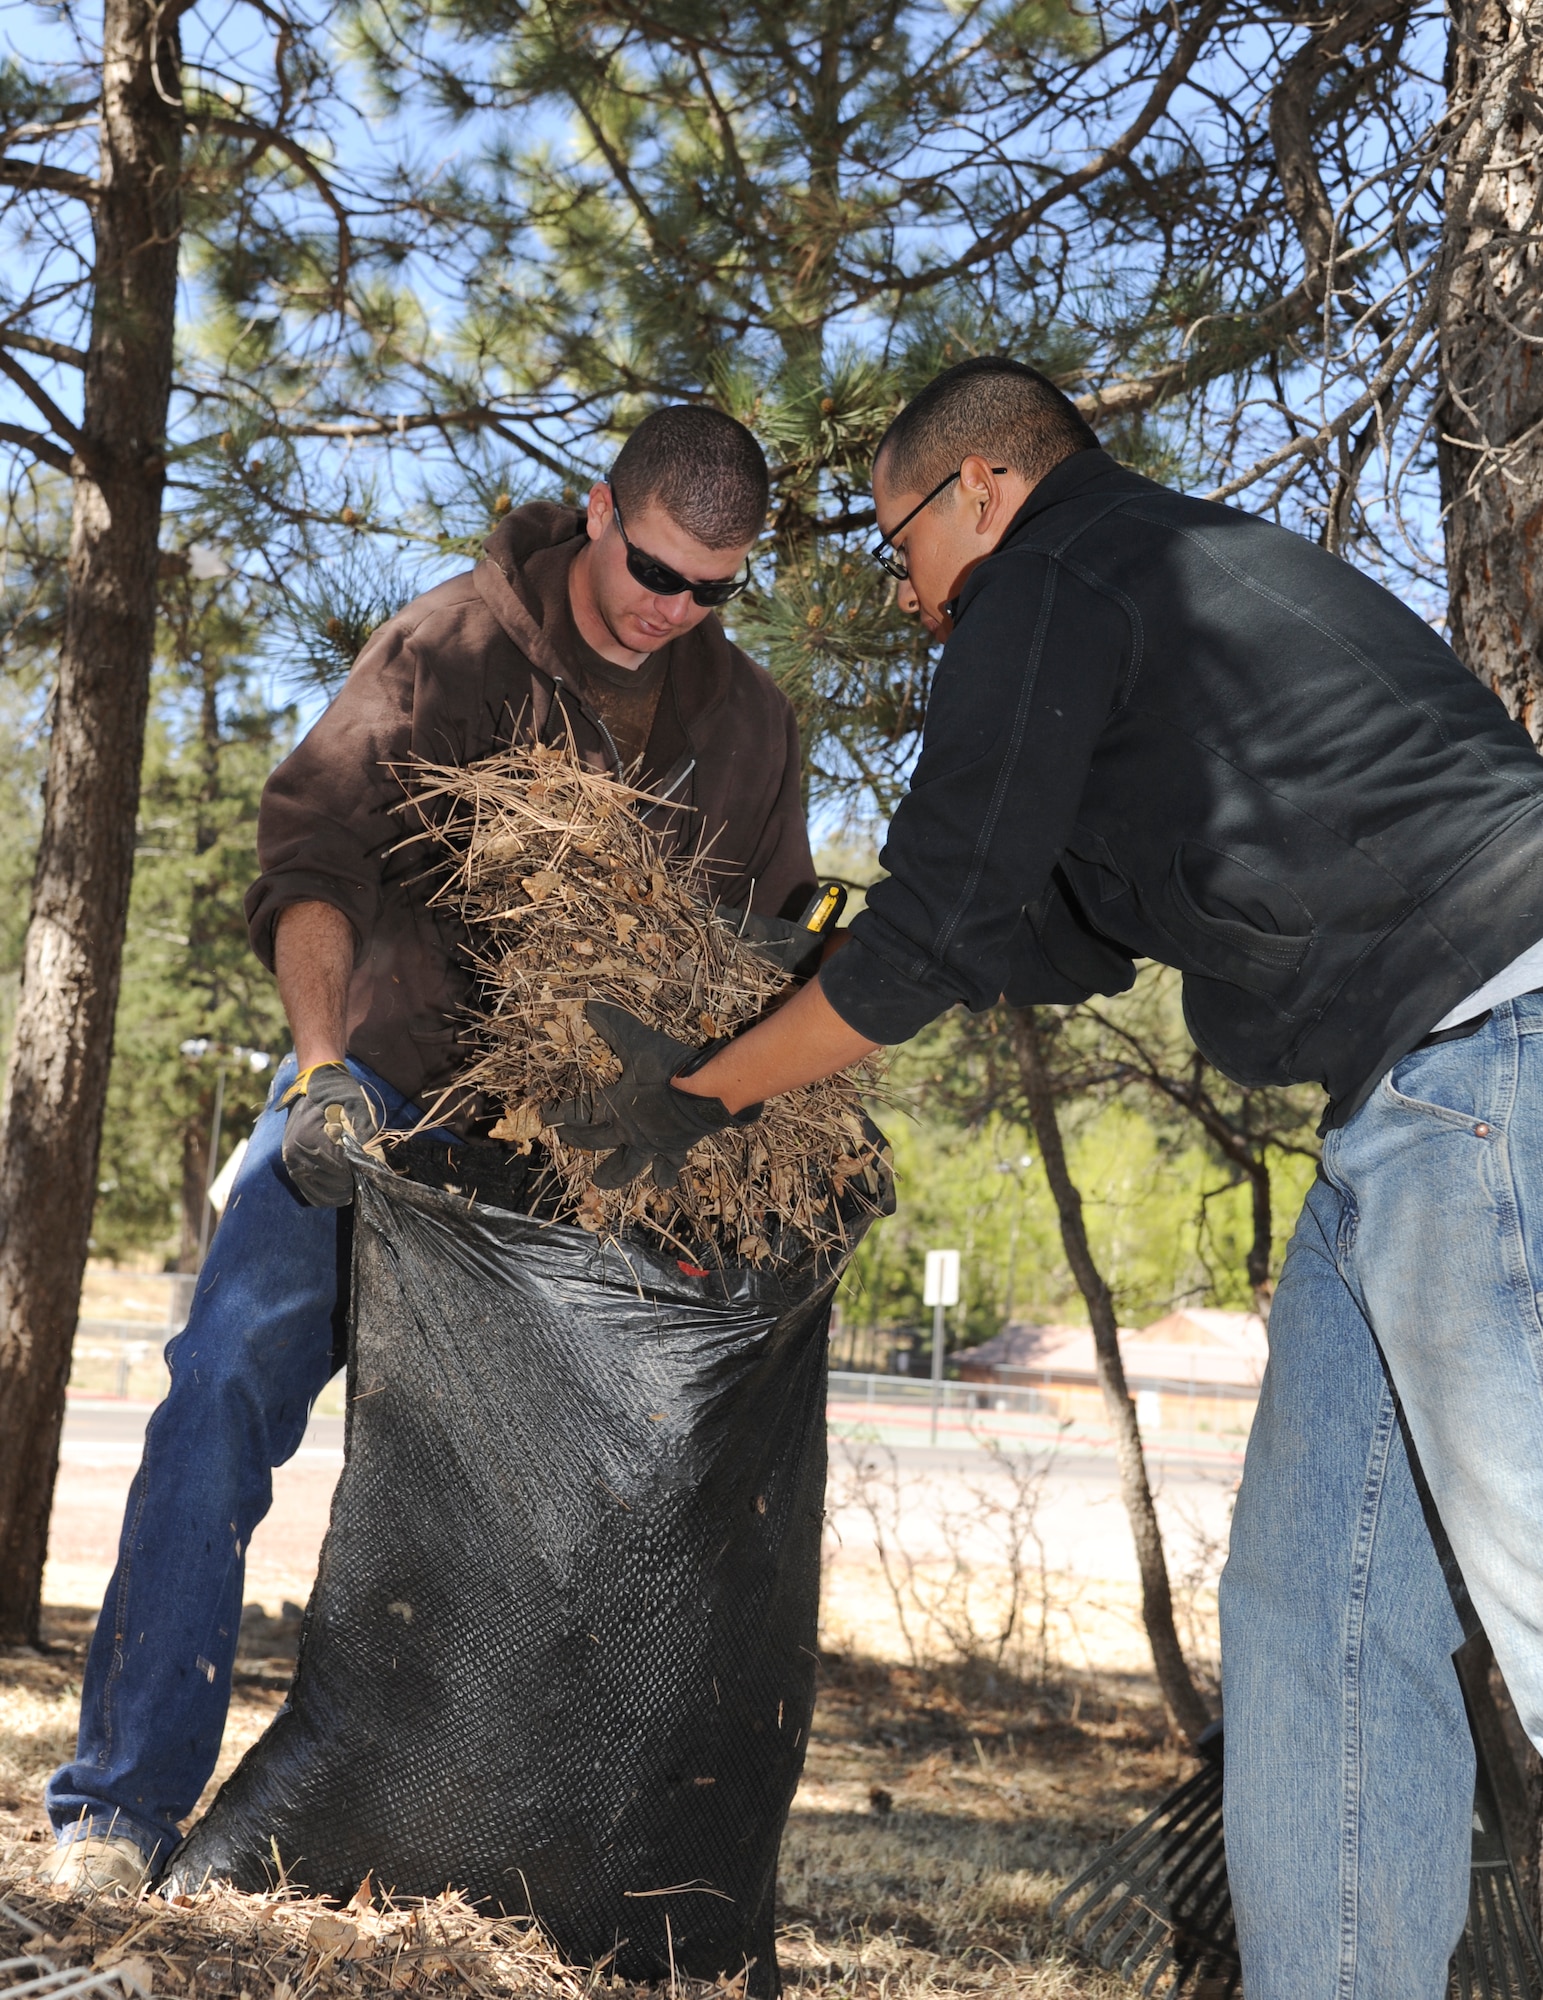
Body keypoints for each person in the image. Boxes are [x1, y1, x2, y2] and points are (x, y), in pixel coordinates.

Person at [555, 356, 1543, 1998]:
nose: (912, 599)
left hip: (1501, 1058)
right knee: (1319, 1633)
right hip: (1405, 1112)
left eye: (899, 549)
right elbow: (1047, 927)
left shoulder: (1060, 572)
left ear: (985, 492)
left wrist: (694, 1096)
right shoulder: (1153, 605)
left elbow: (936, 942)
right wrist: (790, 958)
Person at [42, 404, 819, 1893]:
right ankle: (119, 1812)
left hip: (571, 1174)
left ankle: (479, 1856)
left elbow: (763, 956)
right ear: (601, 511)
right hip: (381, 1110)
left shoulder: (750, 725)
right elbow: (314, 857)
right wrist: (324, 1072)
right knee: (214, 1399)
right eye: (658, 569)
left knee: (559, 1524)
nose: (677, 611)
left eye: (715, 590)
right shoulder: (446, 649)